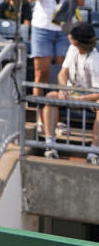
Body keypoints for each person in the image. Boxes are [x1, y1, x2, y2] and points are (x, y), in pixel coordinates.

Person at [27, 0, 84, 133]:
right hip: (42, 28)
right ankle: (39, 118)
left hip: (64, 28)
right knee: (40, 73)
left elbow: (81, 2)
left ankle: (57, 117)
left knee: (61, 74)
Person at [41, 23, 99, 164]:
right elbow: (62, 73)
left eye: (72, 36)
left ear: (77, 41)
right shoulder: (72, 48)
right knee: (50, 97)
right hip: (71, 94)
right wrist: (63, 89)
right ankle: (50, 145)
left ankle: (93, 151)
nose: (68, 36)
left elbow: (98, 92)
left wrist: (81, 99)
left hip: (91, 98)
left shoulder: (95, 60)